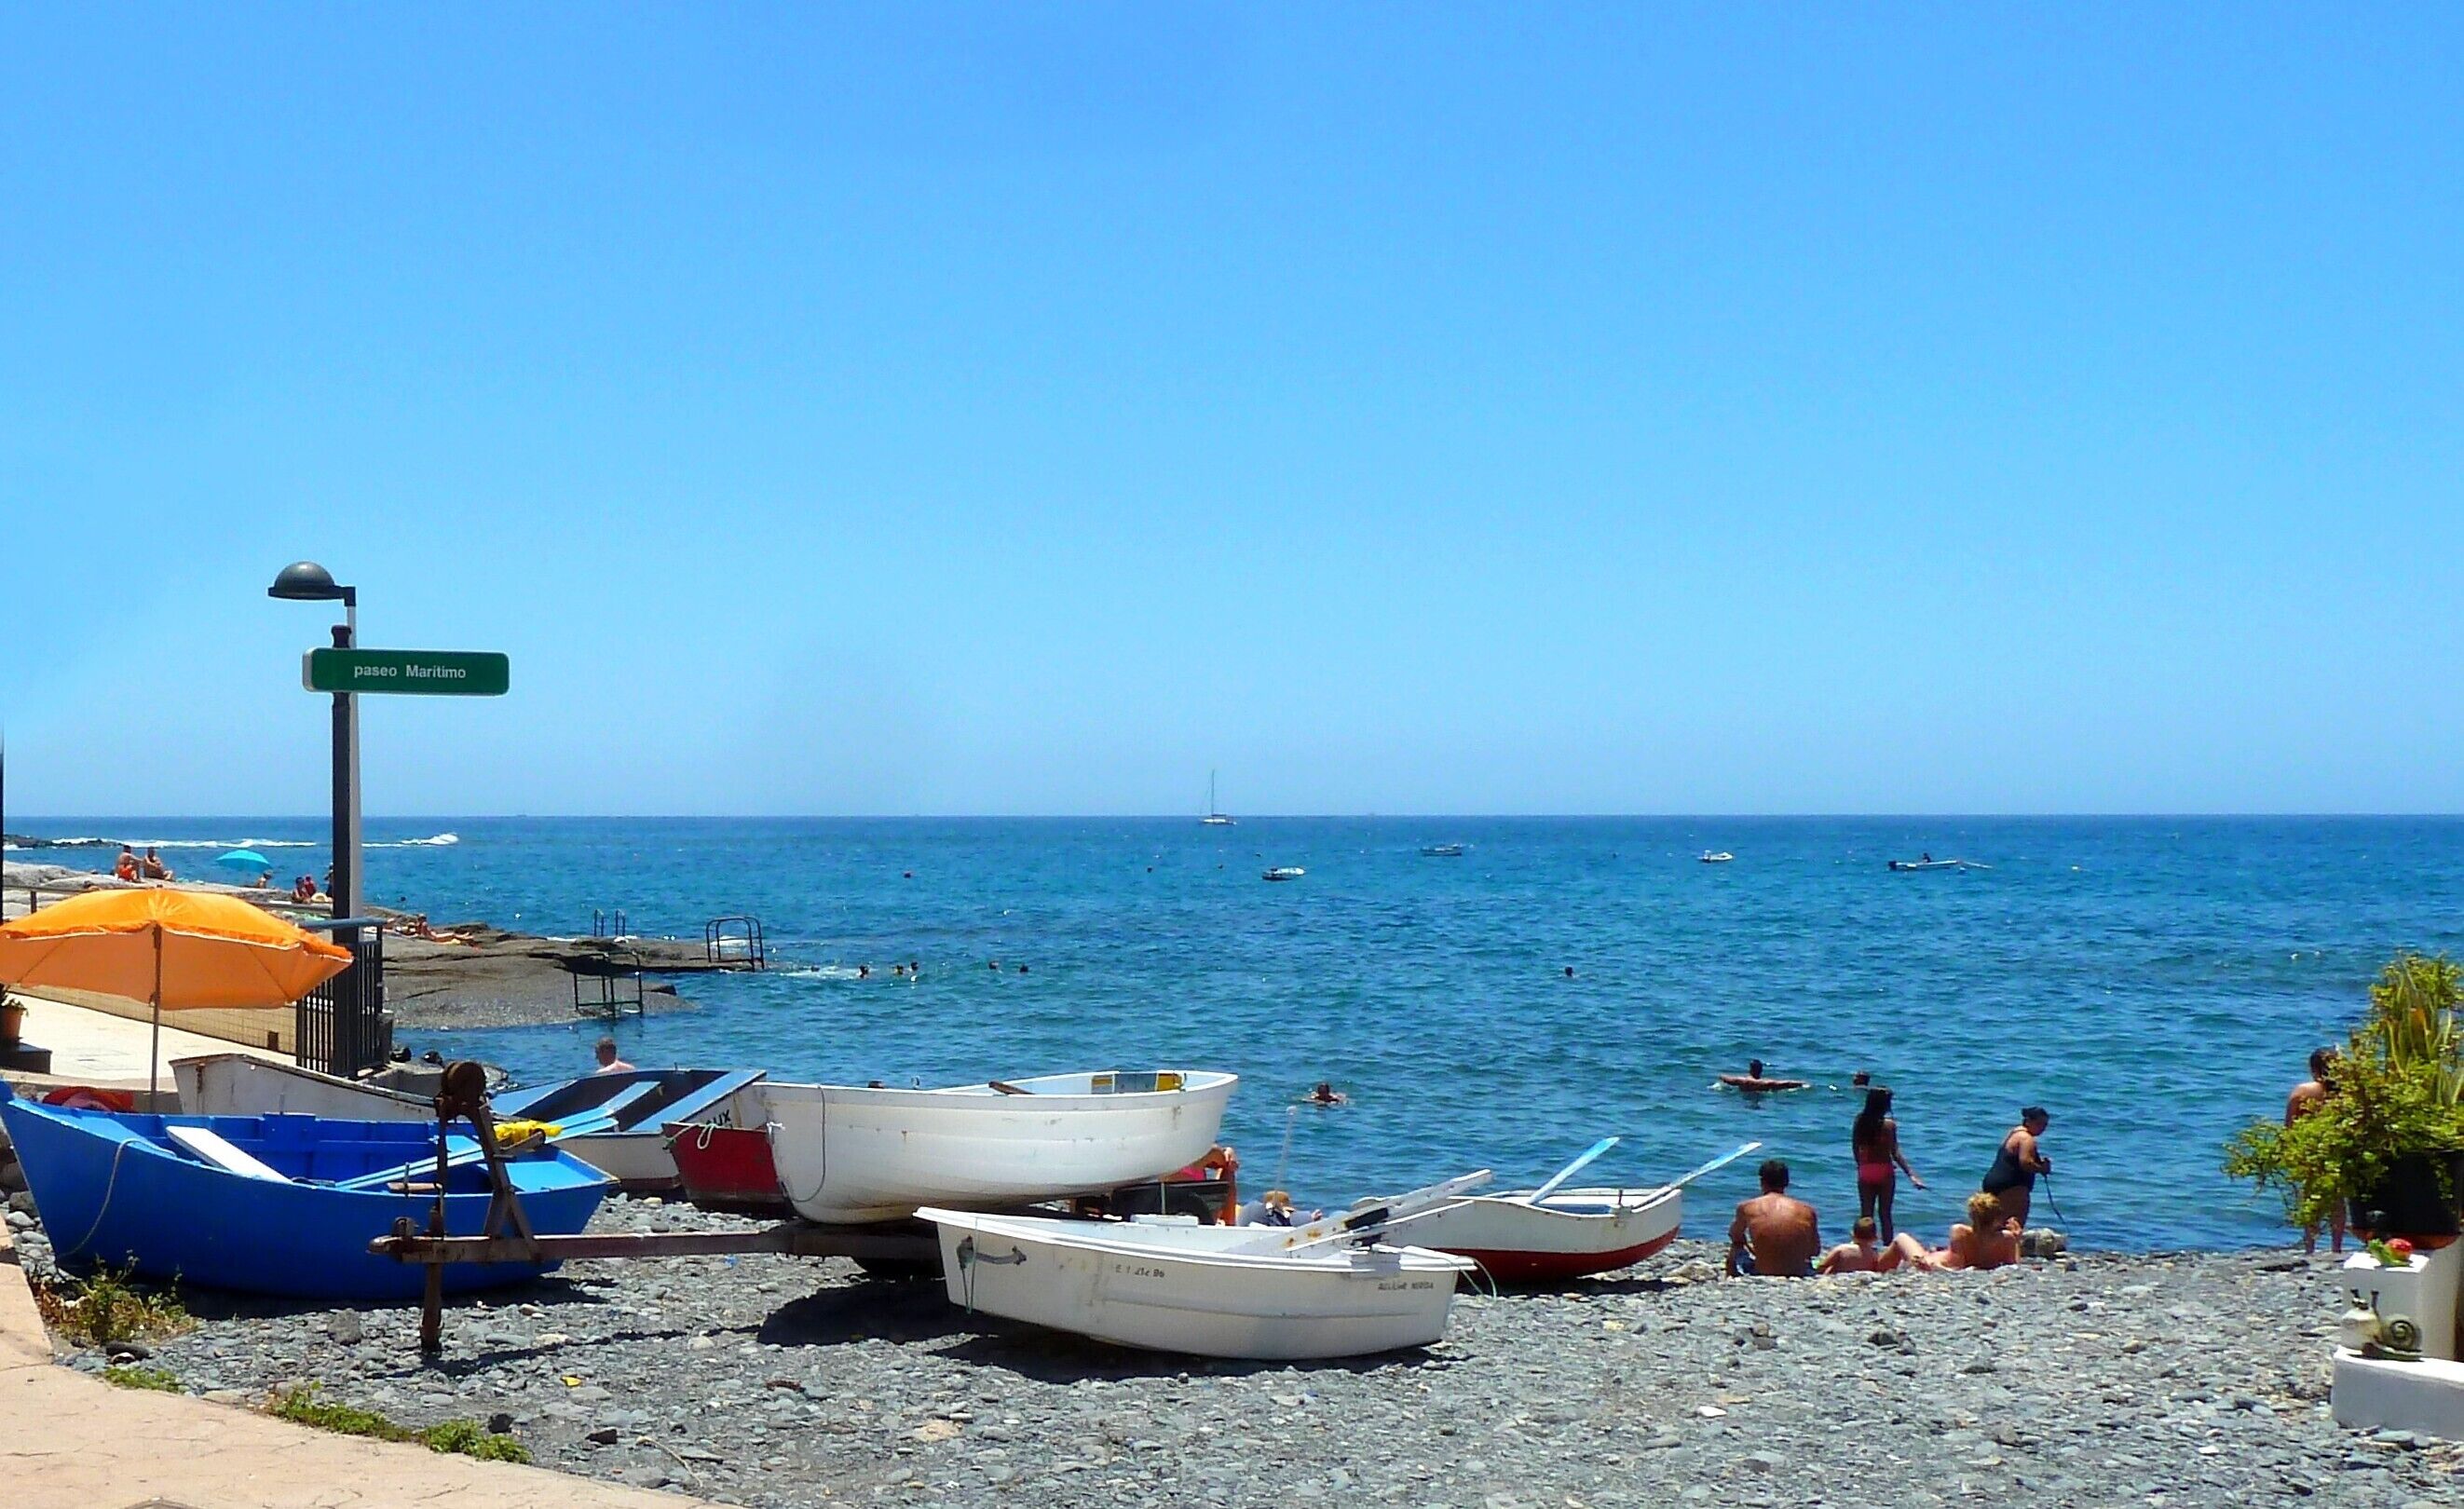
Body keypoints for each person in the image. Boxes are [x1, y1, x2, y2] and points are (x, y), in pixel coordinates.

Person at [2288, 1048, 2345, 1255]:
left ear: (2313, 1068)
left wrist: (2291, 1152)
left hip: (2309, 1150)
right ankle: (2336, 1247)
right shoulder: (2344, 1094)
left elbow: (2290, 1126)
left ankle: (2310, 1247)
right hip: (2335, 1149)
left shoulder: (2302, 1091)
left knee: (2311, 1197)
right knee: (2337, 1200)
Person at [1852, 1087, 1926, 1242]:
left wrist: (1861, 1166)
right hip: (1884, 1171)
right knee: (1885, 1215)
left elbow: (1855, 1147)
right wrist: (1912, 1176)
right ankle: (1887, 1248)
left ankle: (1864, 1248)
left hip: (1865, 1170)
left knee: (1866, 1214)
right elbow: (1895, 1153)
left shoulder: (1859, 1121)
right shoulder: (1889, 1125)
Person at [1726, 1158, 1820, 1277]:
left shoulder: (1747, 1207)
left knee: (1736, 1247)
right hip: (1799, 1273)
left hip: (1763, 1272)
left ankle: (1731, 1278)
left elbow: (1735, 1236)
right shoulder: (1808, 1210)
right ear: (1786, 1182)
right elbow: (1815, 1250)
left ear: (1762, 1182)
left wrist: (1751, 1247)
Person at [1885, 1192, 2022, 1272]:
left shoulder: (1960, 1231)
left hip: (1929, 1262)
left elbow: (1956, 1268)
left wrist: (1931, 1266)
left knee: (1901, 1238)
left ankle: (1875, 1268)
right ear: (1997, 1219)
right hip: (1942, 1257)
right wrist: (2017, 1241)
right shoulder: (2008, 1239)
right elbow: (2014, 1267)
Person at [1981, 1106, 2053, 1229]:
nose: (2042, 1128)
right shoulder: (2027, 1139)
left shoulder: (2014, 1132)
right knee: (2014, 1223)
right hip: (2012, 1185)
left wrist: (2038, 1162)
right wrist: (2042, 1169)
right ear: (2028, 1121)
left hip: (1993, 1181)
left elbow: (2013, 1156)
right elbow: (2025, 1163)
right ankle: (2007, 1247)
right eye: (2039, 1124)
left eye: (2045, 1125)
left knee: (1992, 1222)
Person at [1817, 1216, 1887, 1274]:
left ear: (1852, 1235)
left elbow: (1822, 1267)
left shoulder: (1842, 1249)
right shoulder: (1874, 1255)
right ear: (1875, 1238)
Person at [1720, 1058, 1809, 1094]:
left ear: (1750, 1069)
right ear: (1761, 1070)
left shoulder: (1740, 1081)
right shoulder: (1765, 1083)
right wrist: (1802, 1083)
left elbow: (1725, 1078)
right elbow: (1785, 1083)